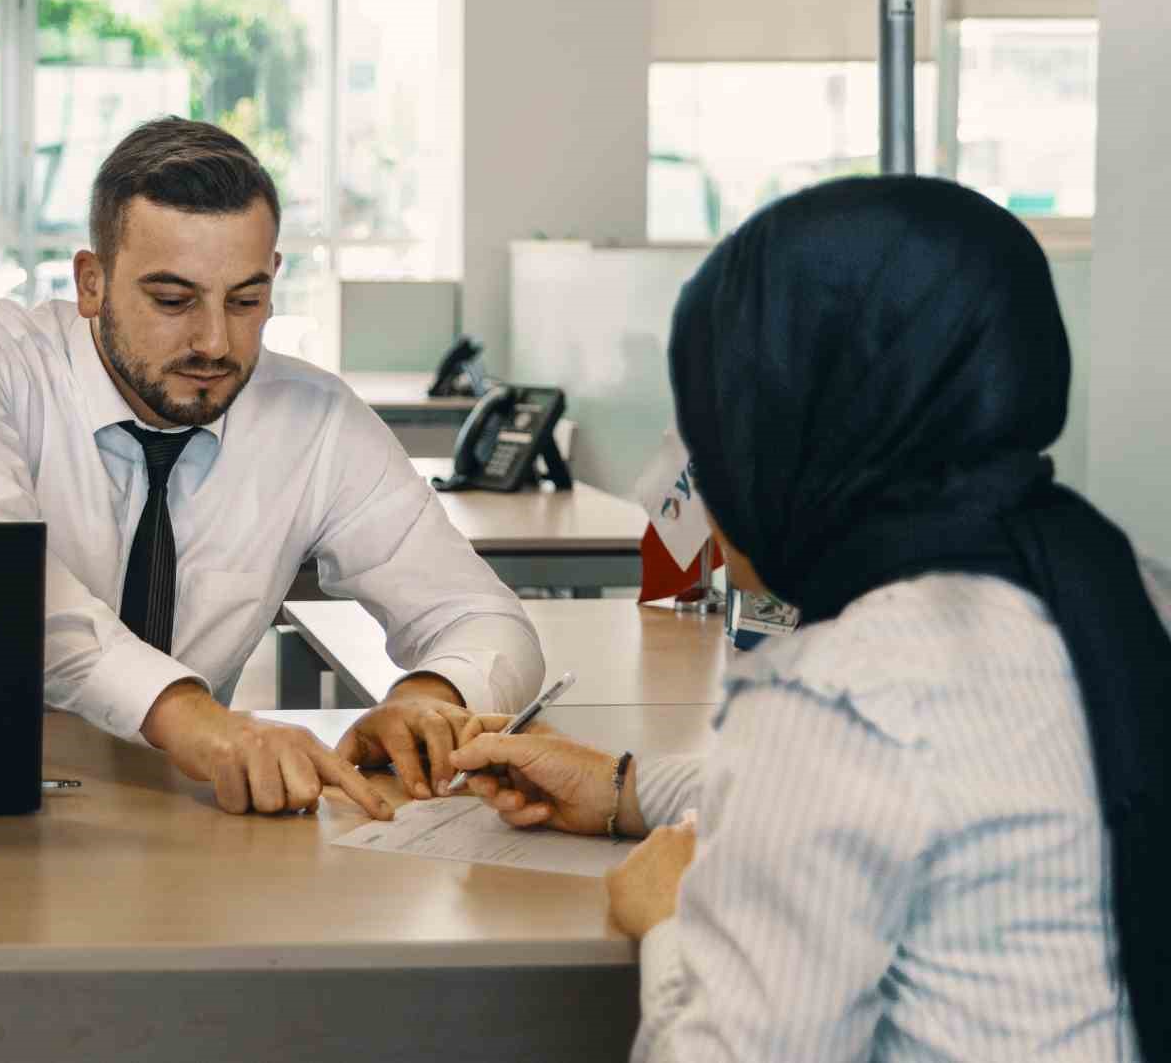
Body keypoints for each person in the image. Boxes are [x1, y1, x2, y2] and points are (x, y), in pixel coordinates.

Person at [449, 176, 1171, 1061]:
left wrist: (674, 921)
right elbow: (911, 804)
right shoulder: (1115, 590)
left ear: (790, 444)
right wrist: (620, 788)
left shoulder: (842, 689)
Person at [0, 117, 545, 819]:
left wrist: (430, 699)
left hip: (182, 816)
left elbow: (487, 621)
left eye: (245, 301)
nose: (214, 341)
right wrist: (192, 715)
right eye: (172, 301)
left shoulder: (315, 420)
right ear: (91, 283)